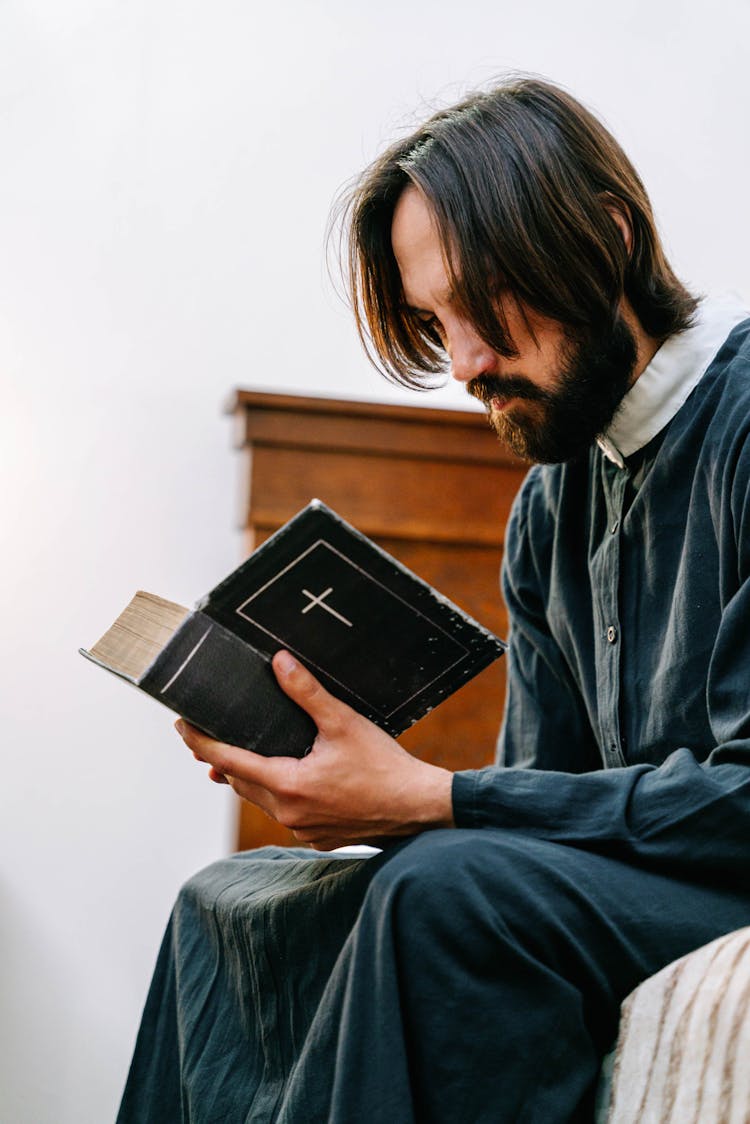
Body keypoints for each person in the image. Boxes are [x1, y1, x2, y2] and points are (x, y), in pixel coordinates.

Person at [117, 78, 750, 1123]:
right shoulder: (552, 502)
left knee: (446, 892)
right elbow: (544, 799)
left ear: (607, 238)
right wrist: (357, 789)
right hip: (636, 875)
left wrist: (434, 798)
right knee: (228, 907)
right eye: (433, 320)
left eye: (483, 302)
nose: (463, 362)